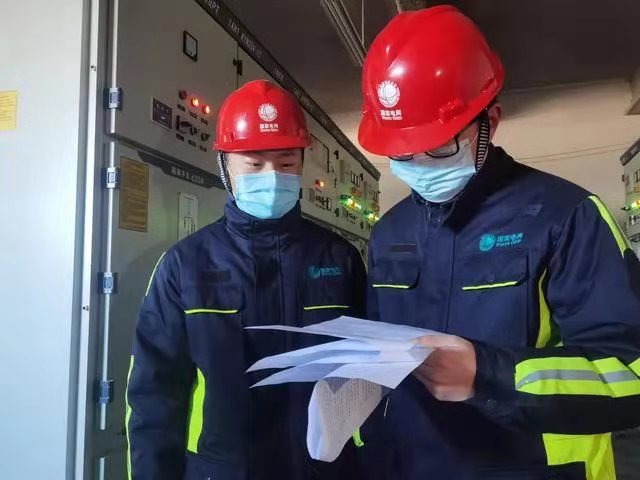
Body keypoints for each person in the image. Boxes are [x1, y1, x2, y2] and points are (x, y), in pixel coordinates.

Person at [357, 6, 640, 479]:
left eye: (439, 144)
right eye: (402, 151)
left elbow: (629, 370)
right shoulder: (390, 232)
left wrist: (488, 375)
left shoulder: (566, 217)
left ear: (490, 120)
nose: (419, 163)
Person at [126, 79, 366, 479]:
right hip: (221, 469)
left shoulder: (339, 258)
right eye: (254, 164)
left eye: (286, 163)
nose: (272, 176)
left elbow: (369, 376)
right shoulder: (185, 266)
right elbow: (155, 394)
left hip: (323, 470)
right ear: (225, 165)